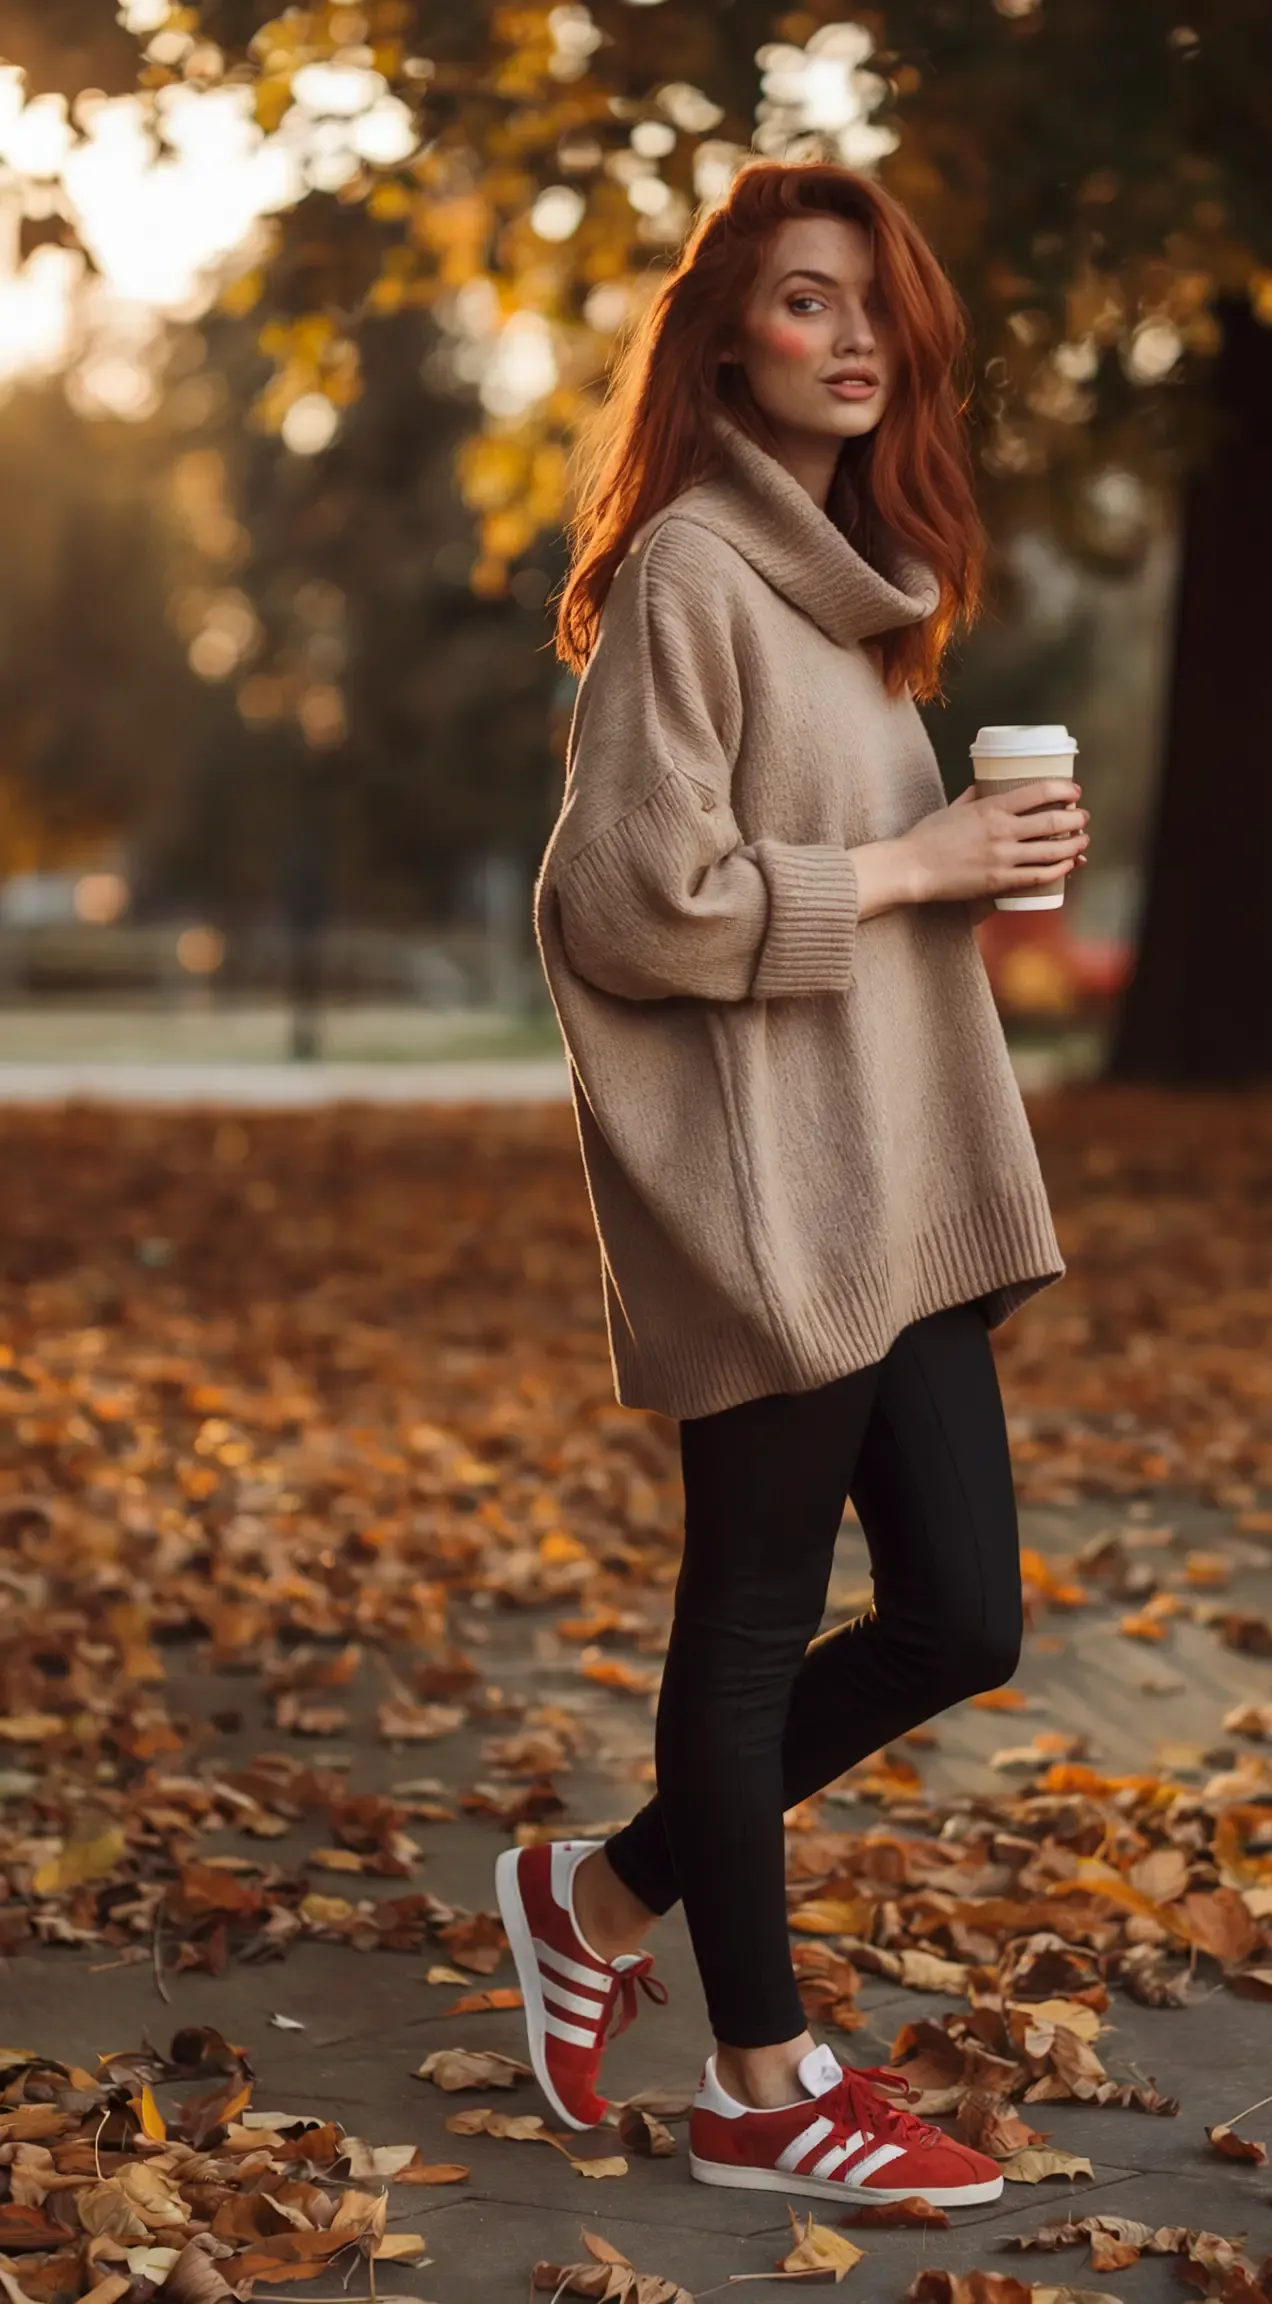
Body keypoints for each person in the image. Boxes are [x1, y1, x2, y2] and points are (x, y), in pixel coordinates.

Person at [496, 158, 1086, 2210]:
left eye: (876, 312)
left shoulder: (858, 603)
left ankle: (596, 1898)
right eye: (809, 302)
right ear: (728, 332)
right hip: (767, 1195)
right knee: (748, 1629)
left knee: (962, 1620)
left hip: (894, 1178)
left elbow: (825, 909)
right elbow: (625, 904)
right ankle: (760, 2080)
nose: (854, 341)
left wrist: (968, 881)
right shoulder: (687, 578)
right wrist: (915, 870)